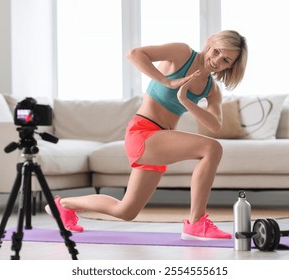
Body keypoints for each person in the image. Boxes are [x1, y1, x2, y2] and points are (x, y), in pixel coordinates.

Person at [45, 30, 248, 240]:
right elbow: (134, 54)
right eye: (216, 51)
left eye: (225, 60)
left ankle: (62, 205)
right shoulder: (182, 53)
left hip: (159, 141)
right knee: (212, 148)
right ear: (209, 42)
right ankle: (196, 223)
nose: (216, 60)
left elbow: (215, 124)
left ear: (230, 66)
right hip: (142, 133)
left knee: (126, 211)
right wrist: (167, 82)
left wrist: (185, 100)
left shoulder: (211, 89)